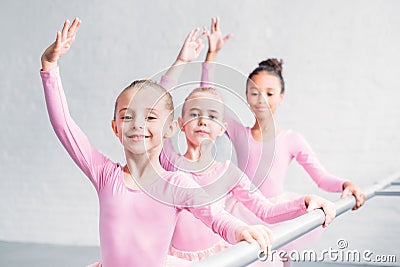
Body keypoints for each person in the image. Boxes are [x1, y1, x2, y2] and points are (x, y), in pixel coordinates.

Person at [40, 18, 273, 267]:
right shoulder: (105, 175)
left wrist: (240, 230)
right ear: (115, 128)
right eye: (128, 116)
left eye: (150, 117)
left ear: (170, 129)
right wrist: (49, 65)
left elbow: (214, 215)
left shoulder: (176, 183)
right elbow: (64, 126)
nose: (138, 123)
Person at [199, 17, 366, 266]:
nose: (261, 99)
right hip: (243, 211)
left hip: (277, 212)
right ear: (246, 96)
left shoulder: (291, 140)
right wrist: (211, 55)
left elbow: (321, 177)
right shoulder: (237, 131)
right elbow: (206, 100)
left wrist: (346, 184)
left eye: (269, 93)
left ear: (281, 96)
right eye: (254, 93)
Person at [156, 86, 336, 263]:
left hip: (220, 255)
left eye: (212, 116)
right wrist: (178, 67)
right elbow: (158, 115)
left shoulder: (228, 173)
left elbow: (265, 210)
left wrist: (303, 202)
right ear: (180, 124)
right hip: (178, 259)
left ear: (222, 128)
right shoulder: (170, 163)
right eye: (194, 114)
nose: (203, 121)